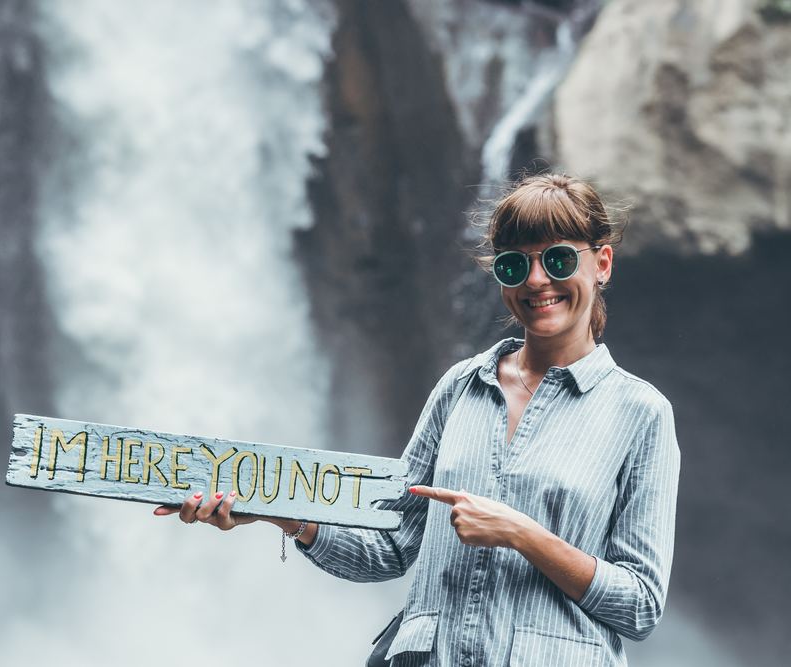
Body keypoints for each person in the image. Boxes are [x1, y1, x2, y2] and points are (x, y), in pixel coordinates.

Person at [154, 173, 681, 666]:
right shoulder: (460, 389)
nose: (538, 281)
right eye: (514, 266)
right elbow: (388, 549)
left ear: (603, 263)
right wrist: (279, 513)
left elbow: (639, 606)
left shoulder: (641, 415)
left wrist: (523, 534)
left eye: (560, 260)